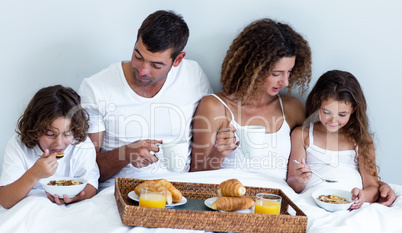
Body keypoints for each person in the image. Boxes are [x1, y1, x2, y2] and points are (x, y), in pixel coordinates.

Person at [79, 10, 212, 182]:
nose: (142, 71)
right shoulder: (95, 88)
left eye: (156, 65)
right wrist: (125, 154)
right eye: (138, 56)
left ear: (178, 60)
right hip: (118, 194)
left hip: (179, 193)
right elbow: (86, 171)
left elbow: (205, 150)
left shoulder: (193, 75)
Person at [190, 18, 311, 181]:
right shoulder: (214, 107)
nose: (285, 82)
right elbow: (195, 177)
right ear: (254, 67)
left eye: (289, 72)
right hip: (230, 201)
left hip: (275, 202)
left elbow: (313, 162)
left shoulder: (292, 109)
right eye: (276, 74)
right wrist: (218, 153)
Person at [287, 70, 395, 208]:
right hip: (312, 201)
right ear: (317, 105)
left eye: (342, 114)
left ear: (354, 110)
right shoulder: (302, 135)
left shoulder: (361, 139)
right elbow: (293, 184)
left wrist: (363, 196)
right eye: (326, 112)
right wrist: (299, 179)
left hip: (350, 203)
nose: (333, 120)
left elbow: (372, 187)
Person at [0, 85, 99, 209]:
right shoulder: (18, 146)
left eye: (67, 134)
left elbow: (91, 186)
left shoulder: (82, 146)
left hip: (71, 210)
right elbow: (5, 200)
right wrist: (34, 174)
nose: (59, 143)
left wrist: (76, 197)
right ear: (35, 129)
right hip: (29, 210)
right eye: (50, 134)